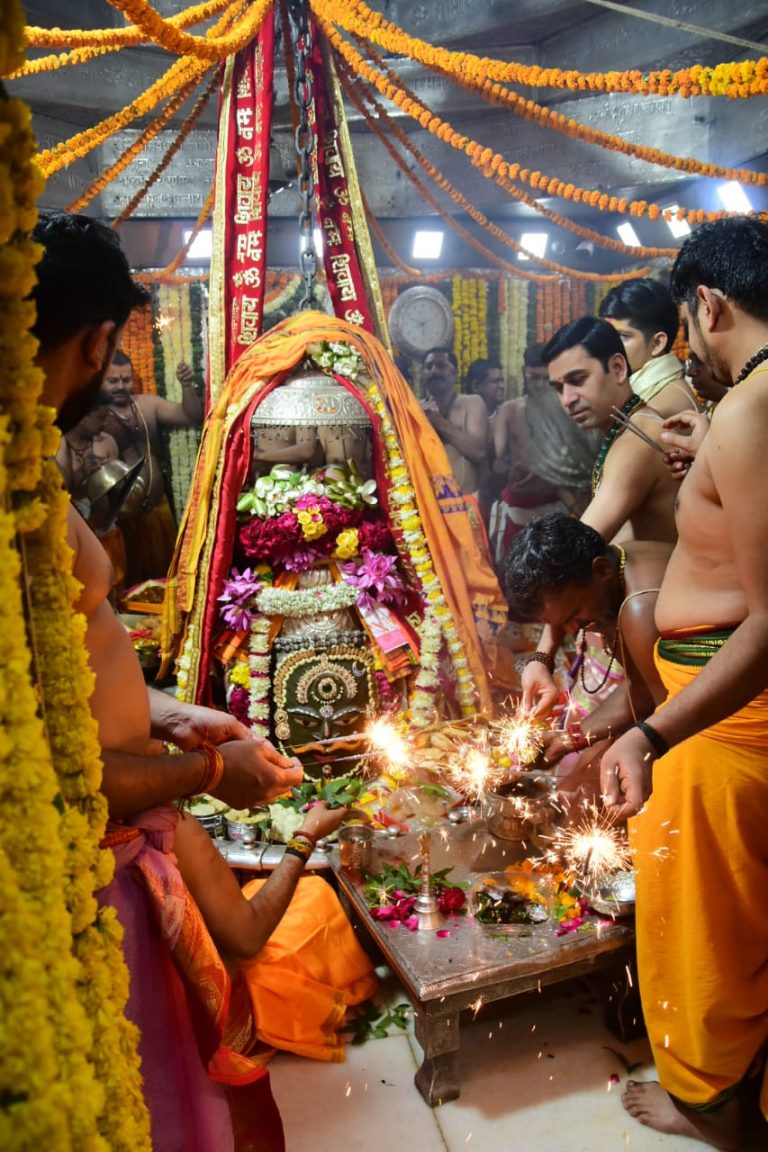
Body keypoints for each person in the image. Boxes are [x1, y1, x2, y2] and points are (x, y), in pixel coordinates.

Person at [32, 211, 306, 1151]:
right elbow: (54, 763)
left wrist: (176, 712)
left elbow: (74, 671)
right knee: (139, 1104)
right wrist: (203, 777)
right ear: (99, 340)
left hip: (128, 834)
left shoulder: (24, 465)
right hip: (91, 870)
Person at [599, 216, 768, 1149]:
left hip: (726, 723)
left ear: (706, 304)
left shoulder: (752, 409)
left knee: (708, 930)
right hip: (727, 714)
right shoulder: (745, 410)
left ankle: (713, 1109)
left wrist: (653, 733)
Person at [521, 318, 680, 716]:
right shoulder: (625, 428)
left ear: (618, 369)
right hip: (640, 616)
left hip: (655, 622)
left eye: (578, 380)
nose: (567, 398)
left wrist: (542, 655)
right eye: (558, 387)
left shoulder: (639, 438)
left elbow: (572, 554)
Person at [503, 513, 671, 808]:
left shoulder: (639, 610)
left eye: (574, 616)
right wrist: (568, 740)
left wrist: (572, 742)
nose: (572, 630)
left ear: (601, 570)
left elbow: (655, 703)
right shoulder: (615, 557)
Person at [101, 349, 204, 585]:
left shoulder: (146, 405)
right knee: (129, 583)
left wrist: (187, 385)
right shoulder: (96, 417)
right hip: (121, 519)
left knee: (163, 580)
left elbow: (191, 415)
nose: (120, 386)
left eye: (125, 380)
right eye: (113, 380)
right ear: (100, 380)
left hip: (158, 511)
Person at [489, 342, 598, 562]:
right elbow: (497, 462)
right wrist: (510, 472)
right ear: (523, 373)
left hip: (556, 506)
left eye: (543, 379)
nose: (538, 385)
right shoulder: (510, 410)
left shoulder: (565, 412)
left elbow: (576, 462)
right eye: (533, 377)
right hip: (516, 506)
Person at [598, 277, 695, 417]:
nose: (607, 345)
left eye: (621, 336)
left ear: (657, 344)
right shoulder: (650, 393)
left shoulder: (661, 407)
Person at [420, 346, 488, 497]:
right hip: (429, 503)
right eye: (428, 367)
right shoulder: (416, 409)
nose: (434, 371)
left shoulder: (471, 403)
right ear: (423, 375)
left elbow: (478, 452)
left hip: (466, 501)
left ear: (454, 372)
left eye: (441, 365)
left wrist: (439, 423)